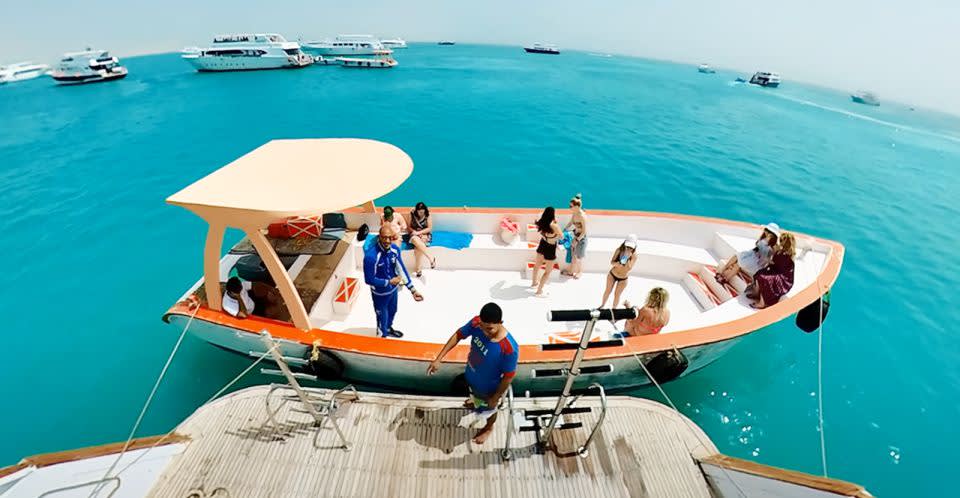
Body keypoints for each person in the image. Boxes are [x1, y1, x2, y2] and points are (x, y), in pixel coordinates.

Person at [427, 302, 518, 445]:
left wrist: (495, 397)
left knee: (489, 410)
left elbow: (508, 376)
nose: (485, 332)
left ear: (500, 323)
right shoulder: (477, 323)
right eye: (483, 327)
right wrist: (438, 359)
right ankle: (475, 401)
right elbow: (458, 335)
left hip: (488, 388)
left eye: (490, 329)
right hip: (470, 376)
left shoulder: (508, 348)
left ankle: (489, 427)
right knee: (474, 397)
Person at [363, 224, 424, 338]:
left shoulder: (395, 249)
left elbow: (401, 269)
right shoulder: (371, 256)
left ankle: (388, 329)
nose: (387, 241)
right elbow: (369, 279)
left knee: (393, 311)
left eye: (389, 237)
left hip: (393, 291)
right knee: (382, 318)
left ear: (393, 237)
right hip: (380, 294)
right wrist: (389, 282)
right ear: (379, 237)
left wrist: (412, 290)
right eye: (384, 237)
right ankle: (382, 338)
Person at [716, 223, 780, 284]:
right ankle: (722, 272)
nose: (765, 231)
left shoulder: (773, 246)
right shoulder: (764, 238)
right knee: (737, 256)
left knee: (739, 264)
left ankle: (725, 278)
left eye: (768, 231)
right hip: (752, 255)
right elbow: (757, 247)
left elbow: (768, 258)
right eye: (766, 229)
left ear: (773, 234)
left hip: (757, 263)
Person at [748, 232, 796, 309]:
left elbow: (775, 262)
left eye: (780, 241)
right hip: (777, 272)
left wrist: (770, 258)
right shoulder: (782, 252)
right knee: (760, 273)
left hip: (784, 280)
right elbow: (775, 264)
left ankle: (762, 303)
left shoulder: (785, 254)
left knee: (765, 279)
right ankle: (757, 294)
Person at [531, 207, 562, 297]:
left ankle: (534, 283)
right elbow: (561, 236)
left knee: (537, 265)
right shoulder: (554, 225)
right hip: (550, 247)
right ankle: (539, 291)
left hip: (543, 243)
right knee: (547, 271)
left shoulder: (541, 222)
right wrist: (556, 224)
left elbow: (541, 229)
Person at [600, 235, 638, 308]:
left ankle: (614, 310)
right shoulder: (619, 250)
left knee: (617, 295)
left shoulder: (634, 255)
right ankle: (602, 305)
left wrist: (627, 257)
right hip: (612, 274)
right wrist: (616, 264)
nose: (628, 248)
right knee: (607, 291)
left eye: (631, 247)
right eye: (627, 246)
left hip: (623, 278)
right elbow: (612, 262)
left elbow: (629, 268)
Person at [407, 202, 438, 277]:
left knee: (418, 248)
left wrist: (419, 233)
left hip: (424, 234)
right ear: (416, 210)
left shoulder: (428, 215)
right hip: (414, 233)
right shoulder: (412, 214)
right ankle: (431, 258)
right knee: (414, 239)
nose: (421, 213)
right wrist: (415, 232)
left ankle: (418, 269)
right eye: (419, 212)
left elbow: (429, 228)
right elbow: (408, 227)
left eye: (422, 212)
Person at [561, 194, 588, 279]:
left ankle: (580, 272)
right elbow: (571, 222)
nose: (569, 208)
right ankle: (571, 272)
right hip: (575, 236)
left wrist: (577, 240)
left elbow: (584, 231)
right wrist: (564, 229)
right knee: (574, 256)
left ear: (577, 206)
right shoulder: (574, 214)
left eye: (571, 206)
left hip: (581, 239)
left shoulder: (582, 216)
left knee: (578, 257)